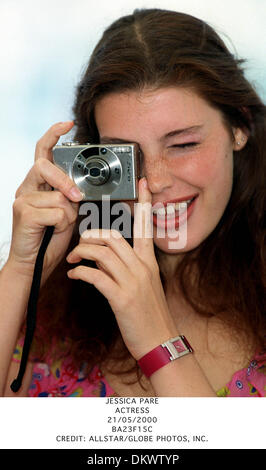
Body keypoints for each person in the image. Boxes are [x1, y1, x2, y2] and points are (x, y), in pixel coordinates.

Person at [0, 8, 265, 397]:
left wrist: (158, 339)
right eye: (126, 157)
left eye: (183, 145)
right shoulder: (58, 298)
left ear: (238, 127)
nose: (155, 182)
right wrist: (23, 269)